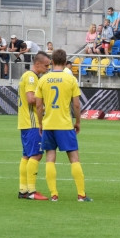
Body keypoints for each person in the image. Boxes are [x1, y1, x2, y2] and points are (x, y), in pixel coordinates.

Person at [35, 49, 88, 202]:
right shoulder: (70, 79)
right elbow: (76, 105)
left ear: (51, 62)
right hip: (65, 124)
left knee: (50, 157)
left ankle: (54, 194)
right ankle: (81, 194)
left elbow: (39, 106)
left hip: (49, 124)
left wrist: (40, 123)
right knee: (74, 158)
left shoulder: (44, 79)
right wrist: (77, 122)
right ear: (65, 63)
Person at [17, 51, 51, 200]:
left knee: (26, 155)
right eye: (46, 65)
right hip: (32, 122)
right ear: (37, 64)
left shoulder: (28, 76)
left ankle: (23, 189)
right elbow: (31, 99)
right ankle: (31, 191)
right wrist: (46, 103)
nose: (48, 68)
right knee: (36, 154)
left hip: (24, 122)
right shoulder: (31, 77)